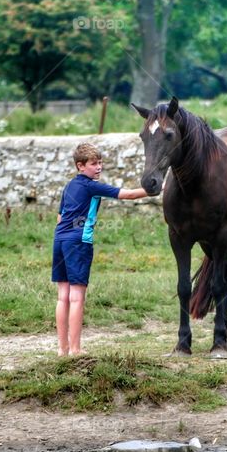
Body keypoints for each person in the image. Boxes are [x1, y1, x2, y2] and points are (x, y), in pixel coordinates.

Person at [52, 142, 149, 356]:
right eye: (93, 164)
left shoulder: (69, 186)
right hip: (79, 243)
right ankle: (76, 350)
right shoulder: (91, 186)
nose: (99, 167)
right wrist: (155, 189)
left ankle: (63, 350)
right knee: (76, 298)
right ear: (80, 166)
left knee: (63, 297)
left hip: (59, 240)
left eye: (100, 163)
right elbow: (130, 195)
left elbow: (60, 218)